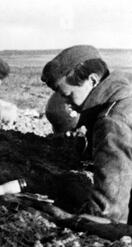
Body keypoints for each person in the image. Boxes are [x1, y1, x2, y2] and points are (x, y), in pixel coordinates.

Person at [41, 45, 132, 224]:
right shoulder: (126, 97)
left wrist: (63, 219)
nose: (67, 103)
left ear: (92, 80)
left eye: (67, 95)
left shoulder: (111, 122)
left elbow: (108, 213)